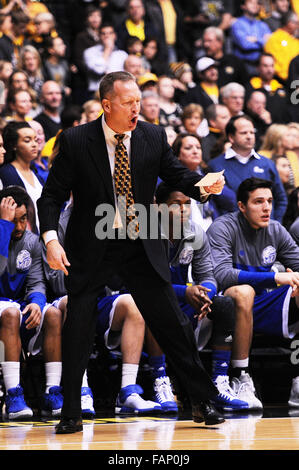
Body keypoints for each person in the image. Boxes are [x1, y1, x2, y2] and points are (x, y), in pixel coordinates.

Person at [37, 70, 225, 434]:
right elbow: (51, 197)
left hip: (141, 238)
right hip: (92, 242)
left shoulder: (152, 135)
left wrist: (201, 185)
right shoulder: (76, 140)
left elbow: (173, 174)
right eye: (128, 103)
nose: (136, 108)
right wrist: (51, 240)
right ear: (107, 105)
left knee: (173, 322)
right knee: (79, 325)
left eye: (139, 101)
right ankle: (71, 411)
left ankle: (201, 400)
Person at [207, 177, 299, 409]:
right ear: (241, 206)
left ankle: (298, 381)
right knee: (244, 291)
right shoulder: (223, 228)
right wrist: (275, 276)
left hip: (266, 304)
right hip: (226, 307)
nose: (267, 207)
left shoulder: (276, 230)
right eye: (258, 202)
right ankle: (240, 375)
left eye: (269, 201)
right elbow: (222, 275)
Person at [0, 185, 63, 419]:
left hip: (18, 307)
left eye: (23, 219)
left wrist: (36, 302)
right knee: (11, 314)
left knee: (54, 313)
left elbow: (37, 282)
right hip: (3, 308)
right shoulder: (4, 231)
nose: (19, 227)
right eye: (13, 221)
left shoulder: (32, 241)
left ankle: (52, 392)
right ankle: (13, 393)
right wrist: (3, 227)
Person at [208, 115, 288, 223]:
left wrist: (274, 224)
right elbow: (213, 203)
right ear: (231, 137)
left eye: (252, 132)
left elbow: (281, 199)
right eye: (244, 133)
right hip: (231, 232)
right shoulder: (215, 165)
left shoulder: (267, 163)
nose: (249, 136)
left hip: (265, 231)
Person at [0, 121, 44, 232]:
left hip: (40, 238)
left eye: (35, 139)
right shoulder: (7, 173)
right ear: (14, 145)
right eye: (27, 140)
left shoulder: (36, 174)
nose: (34, 144)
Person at [230, 0, 271, 76]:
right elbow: (245, 45)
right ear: (243, 6)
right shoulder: (237, 24)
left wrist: (256, 39)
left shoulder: (263, 25)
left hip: (261, 65)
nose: (255, 5)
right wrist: (262, 40)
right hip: (243, 65)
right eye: (251, 2)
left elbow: (270, 43)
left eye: (257, 3)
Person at [264, 10, 299, 83]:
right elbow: (273, 62)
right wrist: (288, 77)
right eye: (297, 23)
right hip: (282, 81)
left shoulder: (296, 40)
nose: (298, 26)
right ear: (289, 23)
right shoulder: (275, 39)